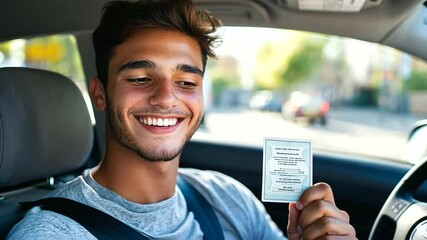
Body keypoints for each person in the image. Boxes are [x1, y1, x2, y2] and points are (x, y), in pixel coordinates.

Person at [8, 0, 356, 239]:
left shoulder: (226, 196)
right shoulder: (53, 232)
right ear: (100, 93)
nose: (165, 97)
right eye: (140, 78)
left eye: (186, 82)